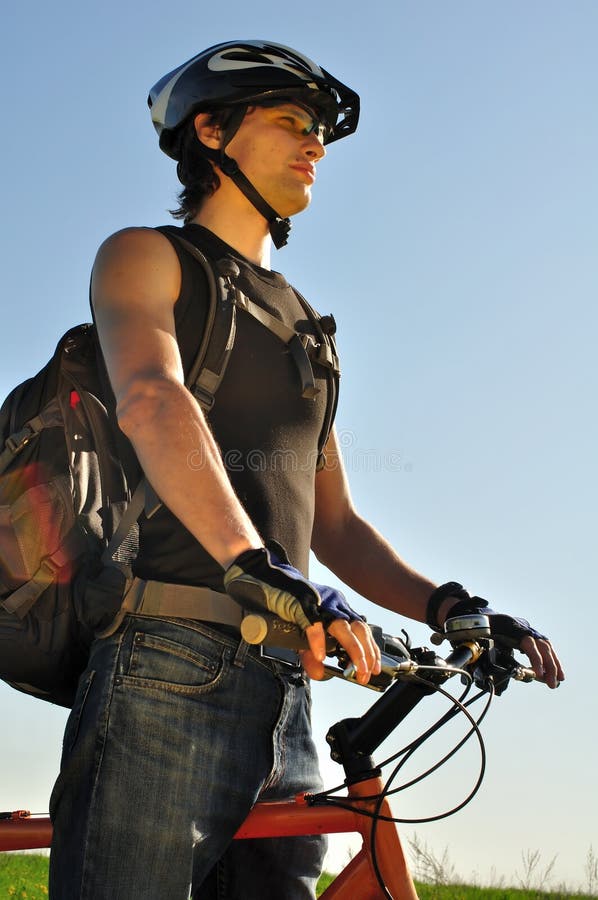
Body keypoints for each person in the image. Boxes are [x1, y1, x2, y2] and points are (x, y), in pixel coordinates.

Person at [48, 40, 565, 899]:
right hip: (167, 666)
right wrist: (259, 568)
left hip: (289, 688)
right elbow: (152, 397)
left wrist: (455, 606)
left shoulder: (306, 327)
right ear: (210, 132)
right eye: (290, 121)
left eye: (320, 129)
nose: (315, 143)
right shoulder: (148, 256)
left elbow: (338, 527)